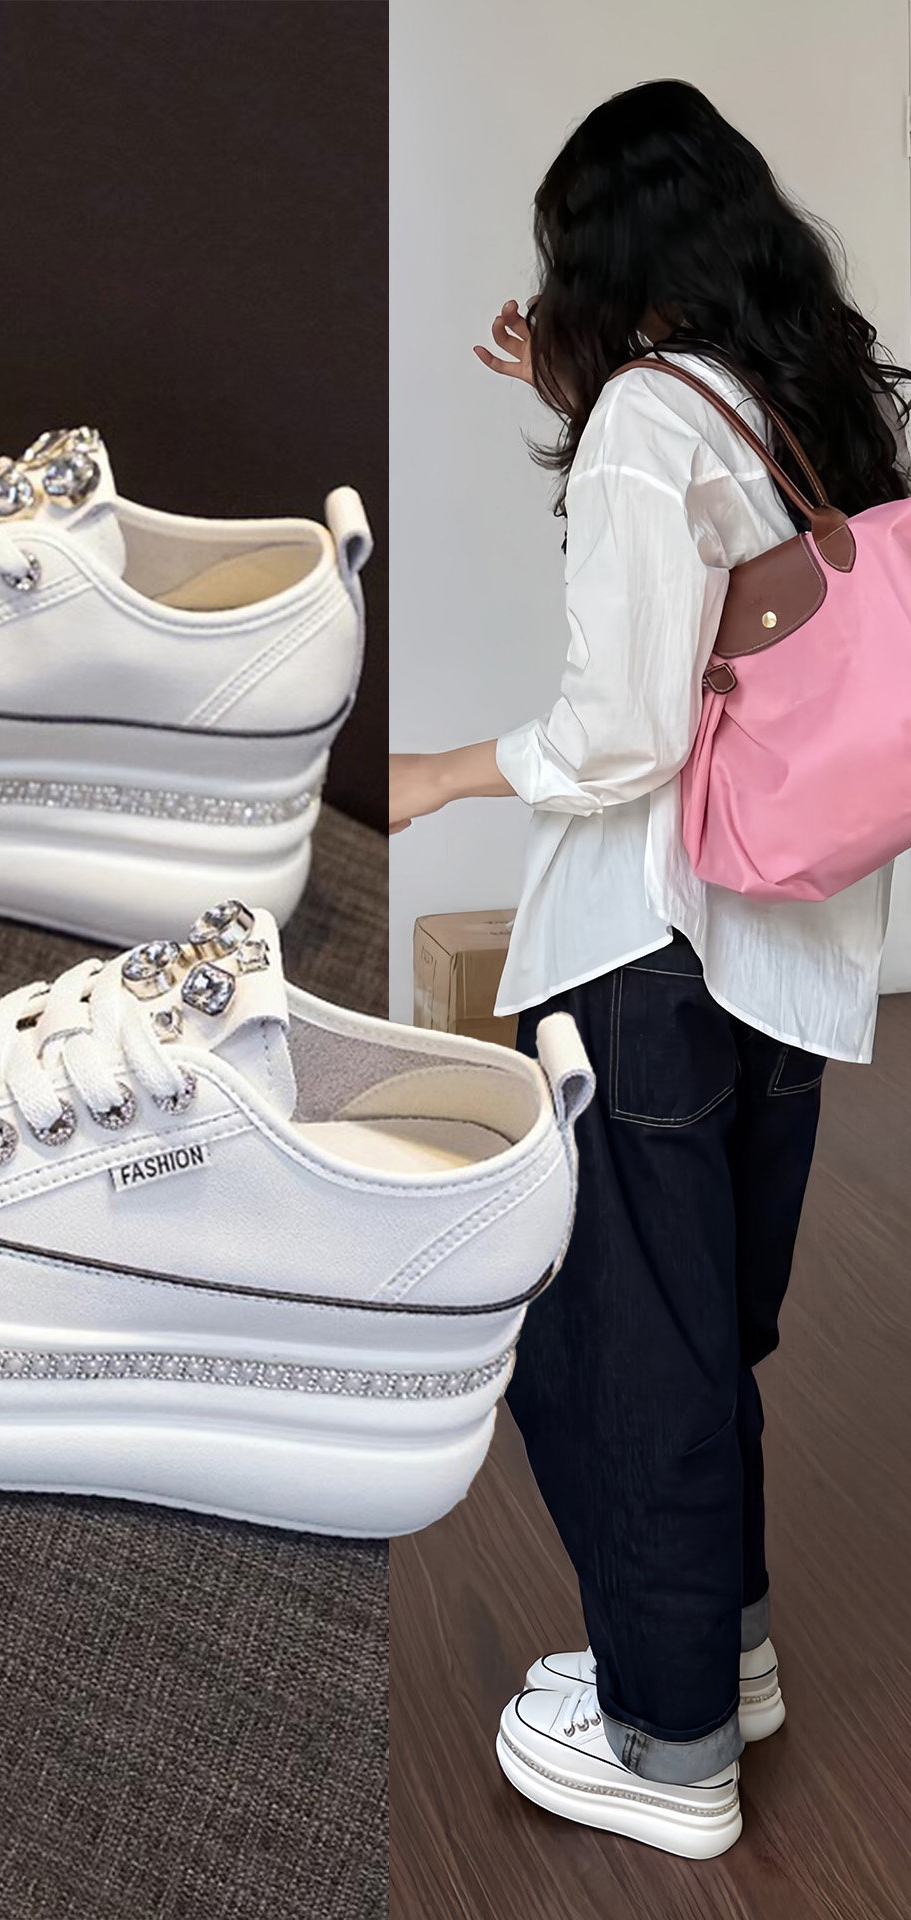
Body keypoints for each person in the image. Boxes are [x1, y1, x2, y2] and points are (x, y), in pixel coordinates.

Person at [389, 79, 910, 1858]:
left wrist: (445, 774)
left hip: (650, 948)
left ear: (611, 257)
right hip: (791, 956)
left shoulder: (641, 418)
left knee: (611, 1337)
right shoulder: (810, 404)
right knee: (704, 1326)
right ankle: (726, 1661)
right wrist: (587, 390)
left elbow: (622, 734)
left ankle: (669, 1748)